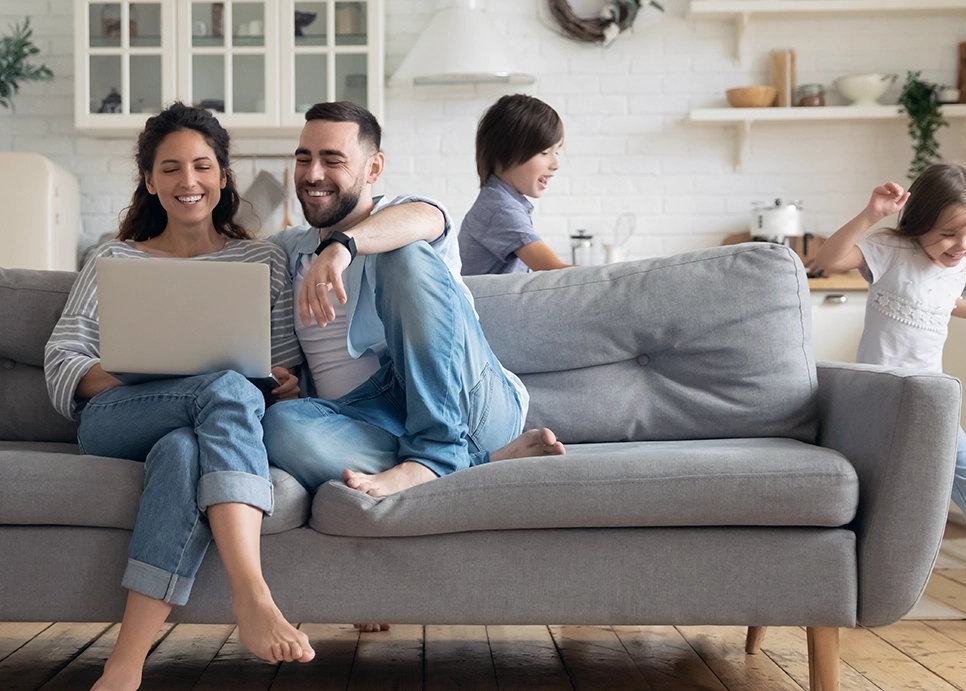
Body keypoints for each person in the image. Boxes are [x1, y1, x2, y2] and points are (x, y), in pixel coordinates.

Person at [44, 103, 315, 691]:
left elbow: (283, 367)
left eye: (201, 166)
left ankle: (124, 666)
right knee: (219, 388)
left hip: (206, 426)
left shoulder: (264, 259)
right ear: (150, 181)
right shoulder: (113, 260)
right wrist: (151, 380)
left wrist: (283, 381)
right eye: (170, 168)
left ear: (222, 177)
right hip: (118, 417)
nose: (187, 182)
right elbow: (63, 360)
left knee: (183, 453)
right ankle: (253, 595)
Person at [261, 100, 566, 504]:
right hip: (371, 418)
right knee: (278, 426)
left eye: (332, 160)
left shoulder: (404, 215)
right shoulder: (288, 249)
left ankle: (436, 451)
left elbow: (425, 219)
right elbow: (229, 260)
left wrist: (343, 246)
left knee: (402, 251)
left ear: (373, 169)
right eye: (304, 159)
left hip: (467, 400)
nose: (313, 174)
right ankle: (474, 461)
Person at [815, 163, 966, 606]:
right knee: (872, 495)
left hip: (932, 400)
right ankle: (844, 581)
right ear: (922, 220)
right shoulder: (889, 250)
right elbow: (829, 260)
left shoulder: (956, 265)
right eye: (950, 234)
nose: (961, 246)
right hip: (881, 399)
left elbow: (940, 299)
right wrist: (872, 213)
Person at [459, 94, 571, 276]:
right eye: (544, 152)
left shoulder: (502, 202)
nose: (555, 164)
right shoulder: (501, 209)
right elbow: (557, 273)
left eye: (556, 151)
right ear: (505, 153)